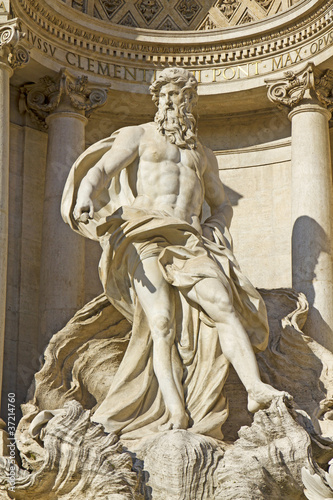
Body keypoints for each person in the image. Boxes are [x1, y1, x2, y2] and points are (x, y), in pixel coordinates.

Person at [62, 67, 288, 437]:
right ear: (157, 100)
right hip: (144, 232)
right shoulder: (139, 136)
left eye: (178, 95)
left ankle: (255, 389)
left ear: (190, 101)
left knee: (224, 305)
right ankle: (175, 411)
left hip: (189, 240)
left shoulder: (202, 155)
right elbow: (102, 169)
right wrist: (85, 195)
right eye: (164, 95)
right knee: (162, 323)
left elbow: (221, 204)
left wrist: (214, 228)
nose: (170, 101)